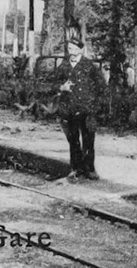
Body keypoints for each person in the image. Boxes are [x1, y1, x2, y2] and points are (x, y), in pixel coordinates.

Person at [56, 26, 102, 181]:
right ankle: (76, 168)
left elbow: (101, 86)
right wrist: (61, 87)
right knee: (73, 140)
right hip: (69, 108)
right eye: (69, 48)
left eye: (75, 48)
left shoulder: (89, 66)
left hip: (87, 109)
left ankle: (90, 169)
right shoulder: (63, 65)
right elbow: (49, 82)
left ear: (81, 50)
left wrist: (98, 106)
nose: (72, 51)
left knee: (89, 139)